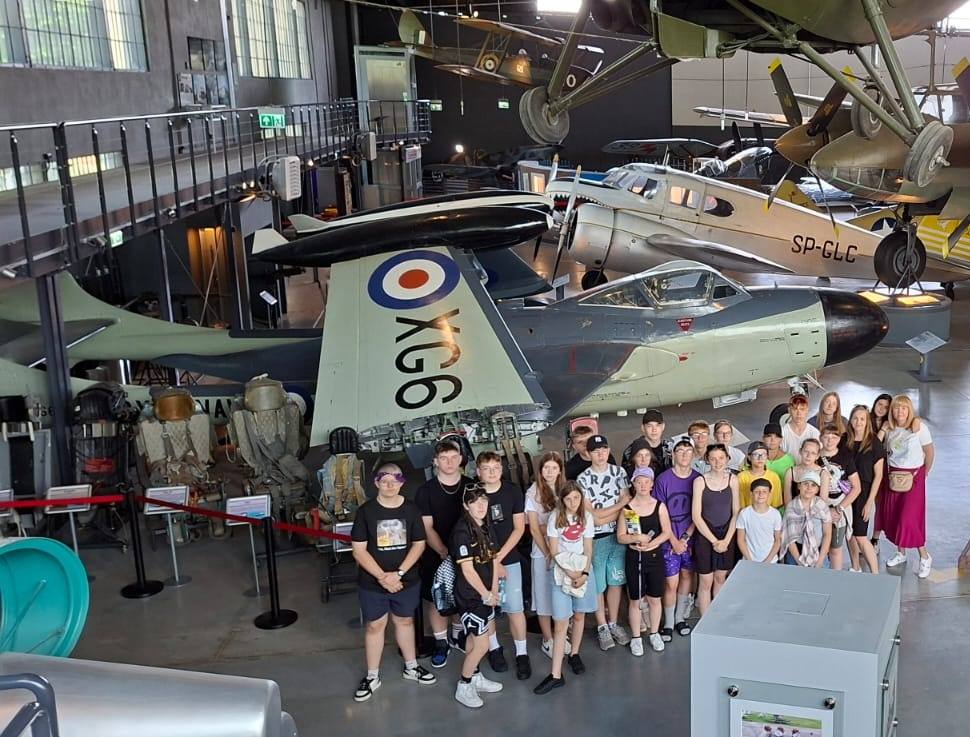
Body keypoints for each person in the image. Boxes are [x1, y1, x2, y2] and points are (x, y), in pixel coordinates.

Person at [351, 464, 435, 702]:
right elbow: (359, 550)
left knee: (405, 621)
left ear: (402, 482)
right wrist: (382, 577)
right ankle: (372, 676)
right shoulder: (366, 512)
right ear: (376, 483)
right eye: (384, 480)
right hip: (373, 582)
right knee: (375, 626)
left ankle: (411, 666)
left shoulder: (411, 510)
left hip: (405, 580)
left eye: (394, 480)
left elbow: (419, 544)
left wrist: (398, 574)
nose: (390, 485)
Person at [415, 440, 475, 668]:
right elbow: (426, 526)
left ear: (460, 459)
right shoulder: (426, 491)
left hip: (467, 554)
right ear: (435, 462)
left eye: (453, 457)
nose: (449, 462)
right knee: (437, 597)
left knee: (461, 595)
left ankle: (458, 634)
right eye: (443, 458)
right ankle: (441, 642)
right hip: (437, 554)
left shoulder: (471, 486)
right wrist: (443, 552)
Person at [535, 481, 597, 694]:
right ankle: (555, 674)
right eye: (568, 499)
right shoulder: (555, 517)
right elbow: (553, 550)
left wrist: (585, 573)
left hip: (583, 569)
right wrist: (570, 573)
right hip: (562, 571)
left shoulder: (587, 517)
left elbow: (588, 547)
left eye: (576, 498)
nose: (573, 502)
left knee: (579, 615)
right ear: (562, 500)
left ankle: (574, 653)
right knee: (561, 622)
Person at [475, 451, 530, 678]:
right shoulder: (473, 494)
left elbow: (519, 528)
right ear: (478, 472)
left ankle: (522, 653)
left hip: (509, 558)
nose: (492, 472)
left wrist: (499, 557)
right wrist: (491, 559)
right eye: (486, 469)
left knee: (515, 608)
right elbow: (473, 529)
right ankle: (494, 648)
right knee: (488, 607)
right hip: (482, 562)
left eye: (496, 468)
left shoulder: (512, 491)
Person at [575, 434, 632, 651]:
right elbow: (593, 517)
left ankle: (613, 622)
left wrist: (606, 514)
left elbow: (625, 506)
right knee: (598, 584)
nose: (601, 454)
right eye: (596, 451)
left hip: (618, 535)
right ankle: (602, 627)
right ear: (588, 453)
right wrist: (618, 507)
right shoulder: (583, 479)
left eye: (604, 449)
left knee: (615, 581)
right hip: (596, 538)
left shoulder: (619, 473)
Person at [451, 484, 504, 708]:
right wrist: (485, 594)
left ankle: (475, 676)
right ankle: (464, 685)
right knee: (482, 645)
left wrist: (494, 591)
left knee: (475, 639)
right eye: (474, 501)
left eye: (484, 500)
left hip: (486, 594)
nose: (481, 506)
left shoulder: (486, 526)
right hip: (470, 597)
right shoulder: (462, 531)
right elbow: (468, 570)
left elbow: (493, 560)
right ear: (466, 505)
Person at [877, 395, 935, 578]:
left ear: (909, 410)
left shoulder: (919, 428)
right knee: (895, 516)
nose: (900, 412)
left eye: (904, 408)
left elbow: (929, 451)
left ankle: (924, 556)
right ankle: (900, 552)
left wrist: (925, 472)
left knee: (909, 519)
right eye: (896, 408)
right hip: (894, 477)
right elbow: (879, 449)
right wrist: (884, 429)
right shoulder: (890, 429)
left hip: (914, 478)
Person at [617, 467, 672, 655]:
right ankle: (636, 637)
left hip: (654, 558)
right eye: (639, 482)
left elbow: (666, 532)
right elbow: (621, 537)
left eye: (646, 482)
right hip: (634, 558)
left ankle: (654, 633)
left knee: (655, 598)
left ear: (651, 484)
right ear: (633, 484)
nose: (642, 485)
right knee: (636, 600)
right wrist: (636, 538)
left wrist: (651, 544)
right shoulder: (627, 509)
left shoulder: (659, 506)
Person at [653, 435, 700, 640]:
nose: (684, 455)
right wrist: (673, 540)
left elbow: (699, 513)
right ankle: (668, 622)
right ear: (673, 454)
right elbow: (659, 512)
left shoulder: (698, 479)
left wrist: (686, 537)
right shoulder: (663, 480)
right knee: (671, 582)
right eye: (680, 451)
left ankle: (680, 617)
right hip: (668, 540)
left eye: (688, 451)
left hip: (689, 538)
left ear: (693, 454)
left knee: (687, 576)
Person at [525, 452, 566, 660]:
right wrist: (548, 553)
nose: (549, 472)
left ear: (560, 470)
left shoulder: (565, 489)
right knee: (542, 596)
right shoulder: (533, 492)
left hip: (565, 550)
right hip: (542, 552)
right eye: (546, 468)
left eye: (554, 468)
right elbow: (534, 528)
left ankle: (561, 634)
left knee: (562, 593)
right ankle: (548, 639)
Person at [691, 444, 740, 616]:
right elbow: (696, 515)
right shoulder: (700, 481)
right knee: (706, 580)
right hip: (706, 535)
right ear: (707, 460)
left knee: (720, 578)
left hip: (727, 534)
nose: (717, 462)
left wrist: (726, 540)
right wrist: (714, 541)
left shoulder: (733, 480)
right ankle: (705, 620)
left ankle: (717, 617)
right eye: (713, 459)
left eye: (721, 458)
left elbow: (736, 512)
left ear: (727, 459)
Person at [818, 423, 861, 571]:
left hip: (839, 506)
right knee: (818, 546)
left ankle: (836, 577)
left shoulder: (845, 457)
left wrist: (838, 509)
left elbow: (856, 487)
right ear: (820, 438)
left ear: (839, 439)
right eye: (826, 437)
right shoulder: (815, 456)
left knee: (835, 548)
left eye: (834, 437)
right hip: (819, 506)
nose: (830, 440)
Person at [846, 405, 883, 573]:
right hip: (846, 492)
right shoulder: (844, 440)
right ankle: (855, 567)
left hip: (863, 494)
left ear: (867, 421)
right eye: (855, 418)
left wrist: (869, 503)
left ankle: (875, 574)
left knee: (860, 535)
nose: (858, 422)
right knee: (849, 533)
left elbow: (878, 476)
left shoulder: (874, 443)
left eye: (862, 418)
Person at [781, 470, 832, 567]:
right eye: (805, 484)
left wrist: (821, 559)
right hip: (796, 554)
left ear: (817, 490)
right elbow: (789, 538)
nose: (809, 488)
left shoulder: (822, 506)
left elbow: (827, 534)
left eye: (813, 485)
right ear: (799, 486)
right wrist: (799, 561)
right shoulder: (791, 507)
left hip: (819, 553)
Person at [736, 478, 783, 564]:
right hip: (749, 560)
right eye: (757, 491)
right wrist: (749, 560)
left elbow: (777, 540)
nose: (761, 494)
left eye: (764, 491)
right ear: (751, 493)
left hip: (771, 561)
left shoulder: (775, 514)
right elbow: (741, 539)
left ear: (769, 494)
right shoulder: (744, 513)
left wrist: (767, 561)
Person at [868, 392, 893, 551]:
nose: (882, 409)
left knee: (878, 505)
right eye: (880, 404)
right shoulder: (865, 420)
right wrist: (882, 430)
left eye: (886, 407)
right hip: (865, 467)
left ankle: (875, 540)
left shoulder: (890, 425)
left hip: (882, 468)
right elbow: (872, 446)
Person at [621, 409, 670, 476]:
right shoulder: (631, 451)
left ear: (663, 426)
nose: (654, 429)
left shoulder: (670, 449)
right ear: (643, 428)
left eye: (657, 425)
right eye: (649, 426)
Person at [782, 438, 830, 506]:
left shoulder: (823, 474)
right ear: (800, 451)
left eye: (813, 453)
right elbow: (787, 501)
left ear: (817, 456)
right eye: (806, 451)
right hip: (793, 510)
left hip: (816, 511)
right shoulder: (790, 472)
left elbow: (823, 502)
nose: (808, 456)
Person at [738, 441, 783, 509]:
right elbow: (740, 504)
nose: (760, 458)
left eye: (763, 454)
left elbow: (776, 504)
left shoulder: (774, 477)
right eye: (756, 454)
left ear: (767, 457)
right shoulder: (741, 477)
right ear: (749, 457)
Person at [781, 394, 820, 458]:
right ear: (789, 410)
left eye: (802, 409)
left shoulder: (815, 433)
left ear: (807, 410)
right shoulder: (782, 433)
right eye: (795, 409)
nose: (798, 413)